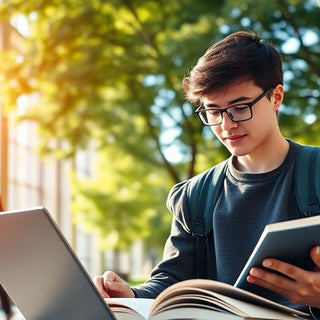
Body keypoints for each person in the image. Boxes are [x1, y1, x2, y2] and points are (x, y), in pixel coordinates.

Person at [94, 30, 320, 318]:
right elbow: (173, 281)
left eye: (240, 108)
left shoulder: (315, 174)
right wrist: (131, 295)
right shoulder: (195, 197)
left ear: (276, 97)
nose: (226, 125)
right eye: (213, 112)